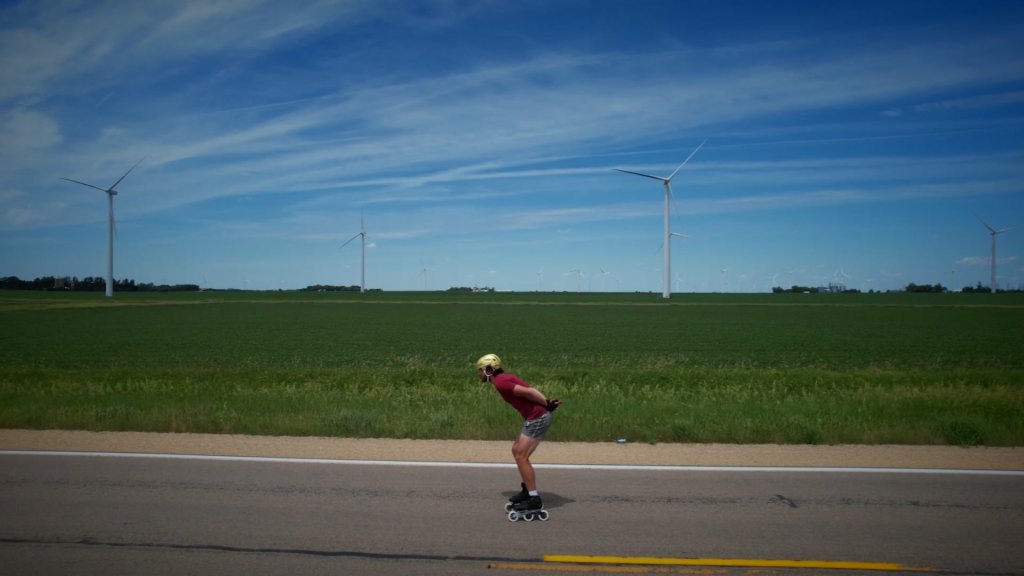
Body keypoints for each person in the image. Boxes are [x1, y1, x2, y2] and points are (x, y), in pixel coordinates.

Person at [476, 353, 561, 512]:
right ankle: (528, 491)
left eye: (480, 370)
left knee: (521, 456)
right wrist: (547, 402)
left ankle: (534, 499)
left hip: (538, 417)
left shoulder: (501, 382)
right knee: (516, 450)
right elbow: (530, 390)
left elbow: (529, 392)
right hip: (536, 417)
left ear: (488, 370)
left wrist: (547, 403)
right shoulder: (504, 378)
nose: (479, 374)